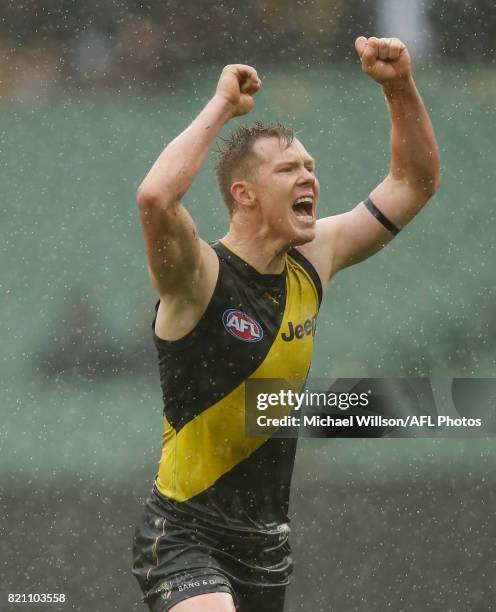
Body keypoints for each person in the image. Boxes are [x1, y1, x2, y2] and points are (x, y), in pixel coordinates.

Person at [132, 36, 440, 612]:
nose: (309, 179)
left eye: (311, 167)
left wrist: (399, 87)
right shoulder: (199, 276)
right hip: (183, 536)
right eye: (288, 169)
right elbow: (155, 197)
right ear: (244, 194)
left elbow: (413, 183)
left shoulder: (313, 256)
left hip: (266, 547)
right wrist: (221, 105)